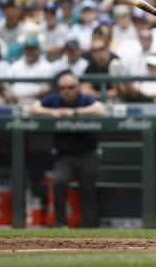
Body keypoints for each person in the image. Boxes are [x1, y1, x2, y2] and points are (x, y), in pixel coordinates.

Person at [29, 72, 105, 227]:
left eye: (70, 87)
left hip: (87, 153)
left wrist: (75, 112)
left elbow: (100, 109)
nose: (67, 91)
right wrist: (53, 112)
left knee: (88, 188)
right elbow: (33, 108)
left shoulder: (84, 99)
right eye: (63, 88)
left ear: (77, 88)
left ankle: (90, 226)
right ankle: (60, 222)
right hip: (64, 156)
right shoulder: (55, 100)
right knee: (58, 182)